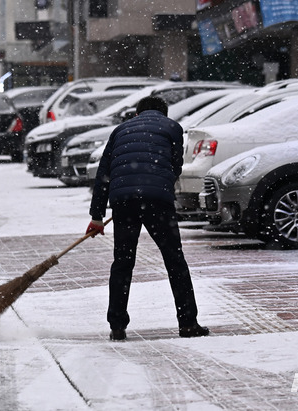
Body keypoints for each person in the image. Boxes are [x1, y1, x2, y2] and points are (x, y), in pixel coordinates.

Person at [87, 96, 209, 341]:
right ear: (163, 113)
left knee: (122, 262)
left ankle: (117, 326)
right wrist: (162, 184)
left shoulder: (119, 130)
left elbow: (103, 172)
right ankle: (187, 323)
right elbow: (176, 165)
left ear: (136, 114)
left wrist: (97, 216)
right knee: (174, 260)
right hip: (157, 199)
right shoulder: (172, 127)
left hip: (122, 199)